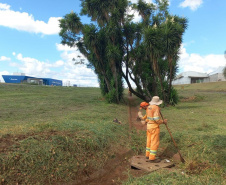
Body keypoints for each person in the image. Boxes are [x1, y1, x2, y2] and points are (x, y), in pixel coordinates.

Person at [138, 96, 167, 163]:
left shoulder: (149, 107)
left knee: (149, 141)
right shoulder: (156, 107)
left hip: (149, 127)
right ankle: (152, 158)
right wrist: (163, 122)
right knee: (154, 142)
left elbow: (148, 117)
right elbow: (156, 119)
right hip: (154, 127)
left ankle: (147, 155)